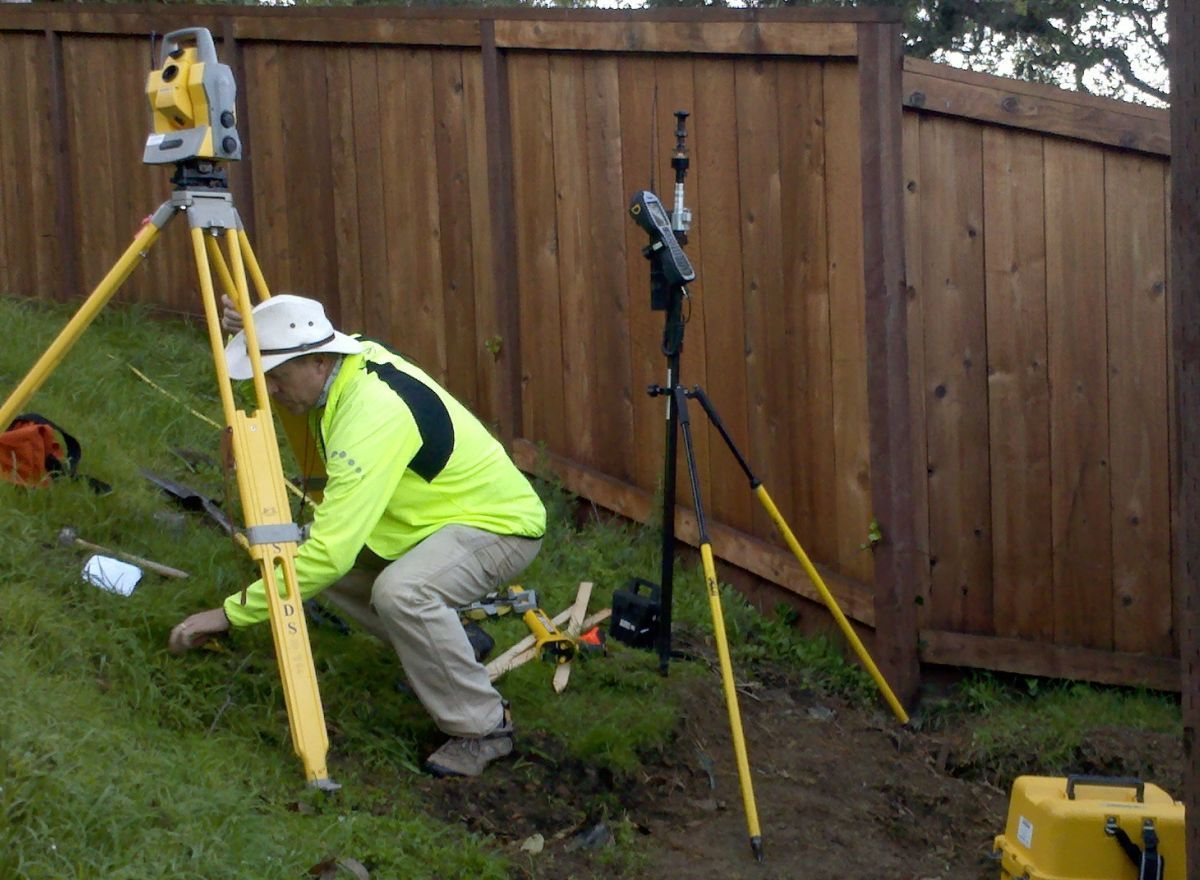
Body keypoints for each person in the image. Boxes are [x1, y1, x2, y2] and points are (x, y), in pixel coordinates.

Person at [168, 294, 546, 777]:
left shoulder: (370, 416)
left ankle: (483, 728)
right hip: (428, 520)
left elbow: (330, 555)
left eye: (277, 377)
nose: (273, 390)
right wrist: (260, 325)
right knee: (306, 553)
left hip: (500, 525)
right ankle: (451, 643)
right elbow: (304, 330)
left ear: (319, 362)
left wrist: (227, 615)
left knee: (401, 592)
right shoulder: (345, 360)